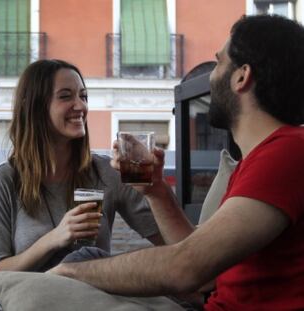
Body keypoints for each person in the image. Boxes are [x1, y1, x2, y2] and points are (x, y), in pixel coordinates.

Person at [49, 14, 304, 310]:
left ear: (241, 76)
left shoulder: (287, 154)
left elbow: (186, 268)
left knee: (77, 266)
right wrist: (155, 189)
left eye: (219, 63)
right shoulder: (262, 159)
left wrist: (68, 273)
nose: (210, 76)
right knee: (85, 261)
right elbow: (204, 267)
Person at [0, 59, 163, 273]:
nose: (81, 106)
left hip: (92, 299)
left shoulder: (105, 171)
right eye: (66, 96)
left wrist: (155, 190)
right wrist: (54, 238)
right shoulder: (0, 180)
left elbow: (173, 243)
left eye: (83, 96)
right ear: (35, 106)